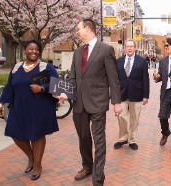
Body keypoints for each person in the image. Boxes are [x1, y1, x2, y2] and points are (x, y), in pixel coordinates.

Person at [60, 19, 122, 185]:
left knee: (99, 139)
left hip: (98, 101)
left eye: (79, 28)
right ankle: (87, 166)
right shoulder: (78, 51)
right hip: (79, 103)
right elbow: (73, 76)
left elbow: (113, 77)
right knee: (83, 137)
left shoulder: (106, 49)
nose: (77, 32)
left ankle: (98, 176)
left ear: (87, 29)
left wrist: (116, 101)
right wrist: (66, 93)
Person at [0, 40, 59, 180]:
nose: (34, 51)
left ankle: (37, 165)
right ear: (25, 50)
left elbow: (57, 84)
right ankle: (31, 157)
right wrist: (0, 104)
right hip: (19, 107)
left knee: (36, 135)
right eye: (31, 49)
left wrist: (42, 88)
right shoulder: (16, 67)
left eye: (36, 49)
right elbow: (9, 86)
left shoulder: (45, 66)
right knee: (13, 131)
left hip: (39, 107)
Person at [114, 39, 150, 150]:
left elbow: (145, 79)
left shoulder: (142, 61)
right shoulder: (118, 61)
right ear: (124, 48)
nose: (129, 48)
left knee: (134, 119)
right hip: (122, 94)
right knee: (121, 117)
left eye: (131, 46)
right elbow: (115, 79)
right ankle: (123, 138)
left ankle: (132, 140)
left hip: (137, 94)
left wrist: (145, 95)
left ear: (135, 48)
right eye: (127, 46)